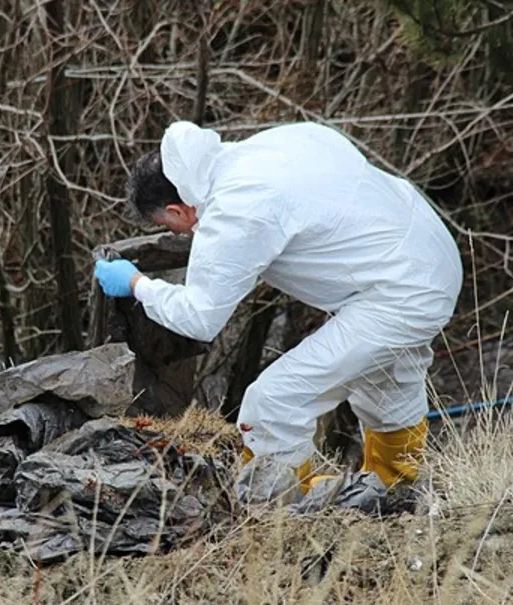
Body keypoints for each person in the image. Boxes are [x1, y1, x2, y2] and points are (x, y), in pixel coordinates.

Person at [95, 120, 463, 501]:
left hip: (401, 289)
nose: (176, 234)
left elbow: (200, 318)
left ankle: (280, 517)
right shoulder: (265, 149)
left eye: (168, 225)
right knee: (385, 381)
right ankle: (396, 490)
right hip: (429, 252)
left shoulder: (234, 211)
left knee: (272, 404)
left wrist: (137, 284)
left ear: (176, 207)